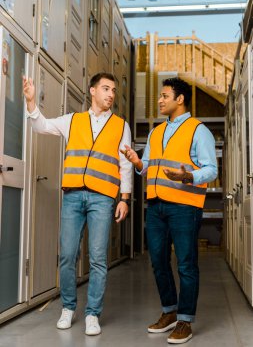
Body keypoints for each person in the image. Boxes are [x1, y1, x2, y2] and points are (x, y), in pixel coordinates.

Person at [23, 72, 132, 336]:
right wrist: (31, 101)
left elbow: (125, 164)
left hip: (103, 197)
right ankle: (68, 308)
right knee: (68, 255)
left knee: (97, 259)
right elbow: (42, 126)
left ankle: (93, 313)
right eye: (105, 88)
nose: (111, 94)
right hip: (73, 195)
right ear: (92, 91)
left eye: (114, 90)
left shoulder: (121, 125)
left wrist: (124, 199)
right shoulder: (73, 120)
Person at [122, 77, 217, 344]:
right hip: (156, 205)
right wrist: (138, 162)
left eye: (165, 95)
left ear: (180, 99)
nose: (160, 100)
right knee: (158, 262)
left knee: (186, 265)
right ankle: (169, 312)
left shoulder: (199, 130)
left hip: (185, 207)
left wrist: (188, 177)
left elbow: (211, 169)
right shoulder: (156, 132)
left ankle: (185, 321)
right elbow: (149, 165)